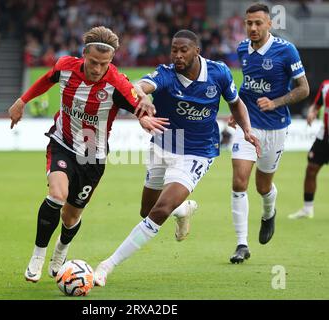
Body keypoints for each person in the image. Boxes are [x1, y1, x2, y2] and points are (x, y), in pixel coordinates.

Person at [93, 29, 260, 287]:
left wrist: (247, 128)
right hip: (164, 143)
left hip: (198, 151)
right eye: (174, 50)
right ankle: (182, 209)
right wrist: (144, 96)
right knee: (146, 210)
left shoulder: (219, 73)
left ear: (197, 51)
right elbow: (137, 85)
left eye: (184, 50)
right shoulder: (166, 74)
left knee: (158, 212)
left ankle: (107, 265)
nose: (178, 55)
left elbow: (236, 102)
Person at [8, 26, 168, 283]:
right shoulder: (65, 67)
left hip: (93, 156)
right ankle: (38, 255)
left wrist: (145, 119)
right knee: (56, 195)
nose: (97, 68)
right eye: (93, 62)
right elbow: (44, 80)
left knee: (71, 217)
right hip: (62, 142)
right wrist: (21, 101)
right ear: (84, 55)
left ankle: (61, 250)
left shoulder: (116, 83)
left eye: (104, 64)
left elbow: (138, 104)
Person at [228, 3, 310, 264]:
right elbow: (248, 86)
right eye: (249, 23)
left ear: (269, 24)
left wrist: (275, 102)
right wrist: (237, 109)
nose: (252, 28)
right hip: (248, 126)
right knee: (239, 181)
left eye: (258, 23)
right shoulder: (242, 49)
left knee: (263, 186)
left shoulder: (286, 51)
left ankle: (269, 212)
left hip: (275, 127)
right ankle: (242, 244)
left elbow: (304, 89)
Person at [288, 79, 329, 219]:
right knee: (311, 169)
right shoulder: (325, 86)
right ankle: (307, 209)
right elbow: (317, 106)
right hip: (324, 136)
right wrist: (312, 112)